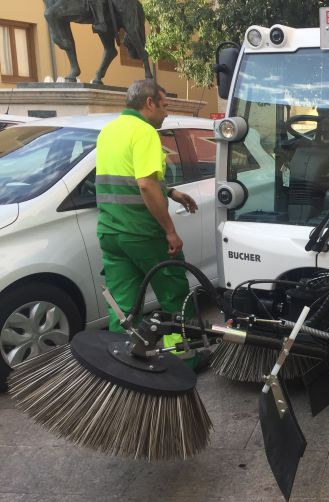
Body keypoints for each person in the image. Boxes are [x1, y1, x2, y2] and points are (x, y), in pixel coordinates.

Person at [95, 79, 207, 370]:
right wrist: (170, 230)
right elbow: (144, 185)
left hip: (111, 232)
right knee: (173, 293)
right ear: (149, 103)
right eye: (165, 106)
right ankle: (182, 357)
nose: (166, 113)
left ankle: (124, 357)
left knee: (122, 301)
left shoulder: (110, 131)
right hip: (143, 232)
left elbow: (133, 177)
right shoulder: (144, 132)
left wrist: (170, 190)